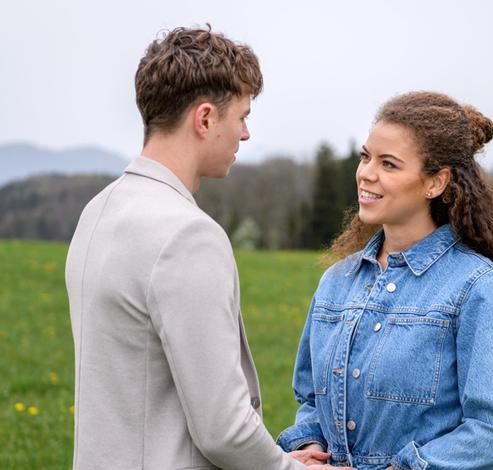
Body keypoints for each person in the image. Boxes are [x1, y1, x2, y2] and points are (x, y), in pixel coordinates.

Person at [65, 26, 345, 470]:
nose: (246, 134)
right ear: (206, 118)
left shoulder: (98, 210)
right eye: (242, 116)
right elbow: (223, 429)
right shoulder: (187, 236)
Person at [277, 92, 493, 469]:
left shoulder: (475, 285)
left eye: (389, 164)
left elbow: (492, 433)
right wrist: (309, 446)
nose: (366, 173)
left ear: (435, 183)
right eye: (365, 156)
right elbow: (311, 399)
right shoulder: (336, 282)